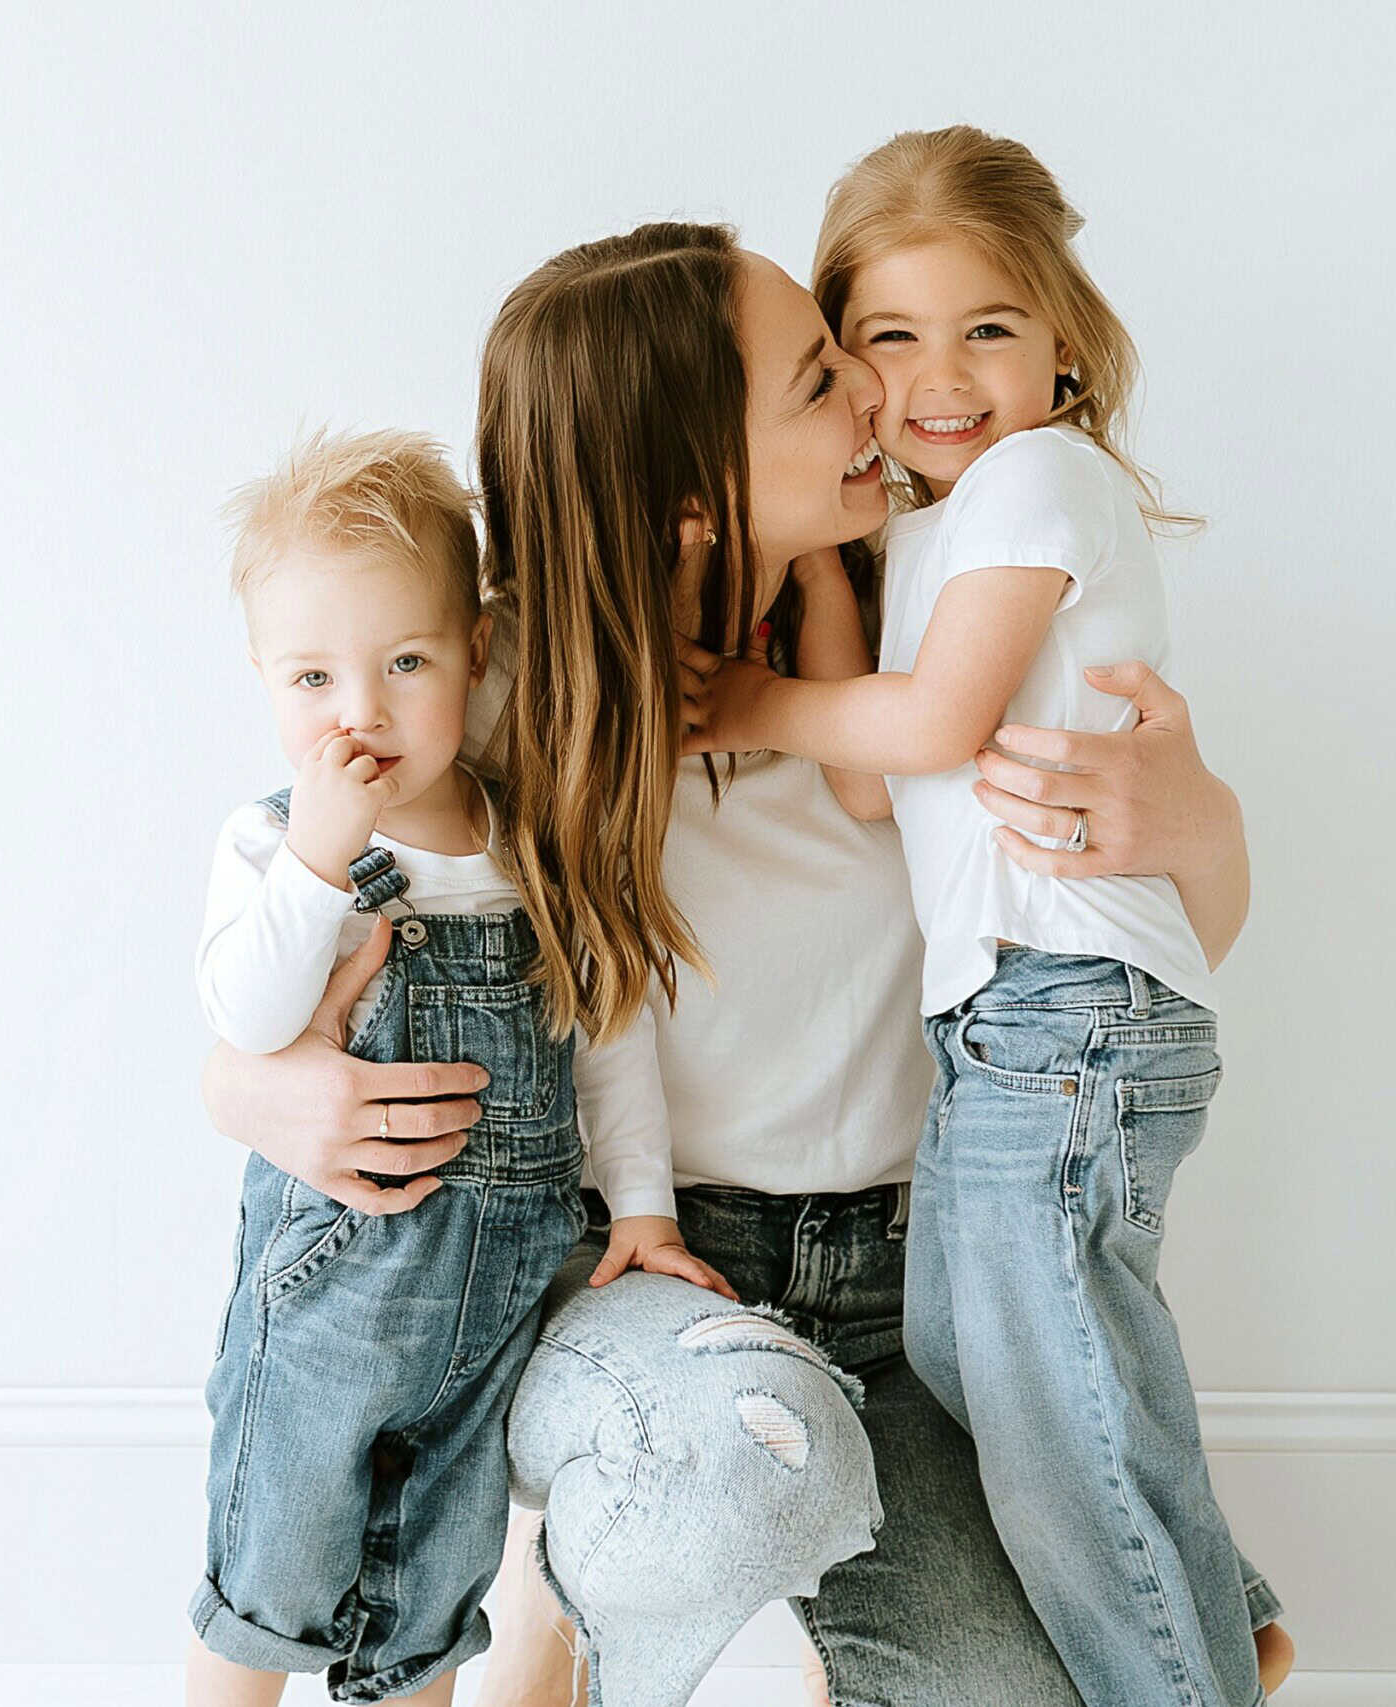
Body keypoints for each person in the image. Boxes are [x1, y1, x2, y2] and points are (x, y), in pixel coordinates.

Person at [204, 225, 1285, 1707]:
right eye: (816, 376)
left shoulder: (941, 627)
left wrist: (1209, 827)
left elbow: (1134, 968)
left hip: (905, 1283)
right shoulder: (503, 690)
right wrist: (242, 1084)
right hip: (636, 1273)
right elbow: (292, 884)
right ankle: (556, 1612)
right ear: (697, 495)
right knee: (733, 1463)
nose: (869, 393)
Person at [689, 126, 1279, 1706]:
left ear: (1065, 341)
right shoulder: (940, 536)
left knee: (1063, 1424)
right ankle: (1230, 1607)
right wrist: (825, 585)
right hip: (1008, 1024)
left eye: (988, 329)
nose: (938, 373)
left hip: (1064, 1008)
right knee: (978, 1369)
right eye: (888, 337)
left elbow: (935, 723)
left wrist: (745, 695)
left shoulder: (1040, 476)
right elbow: (882, 792)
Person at [187, 429, 728, 1707]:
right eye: (312, 677)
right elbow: (247, 1014)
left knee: (432, 1598)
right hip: (330, 1300)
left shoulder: (531, 845)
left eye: (405, 663)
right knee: (269, 1576)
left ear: (475, 654)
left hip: (493, 1311)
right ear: (264, 679)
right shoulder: (273, 843)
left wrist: (641, 1204)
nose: (359, 713)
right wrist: (323, 856)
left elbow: (611, 1037)